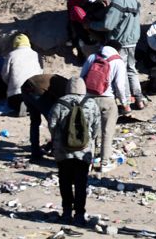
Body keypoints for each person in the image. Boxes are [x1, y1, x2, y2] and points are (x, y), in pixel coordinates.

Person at [49, 76, 100, 227]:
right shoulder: (91, 103)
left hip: (63, 151)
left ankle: (66, 212)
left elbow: (52, 125)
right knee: (80, 183)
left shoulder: (59, 103)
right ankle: (79, 214)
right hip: (83, 152)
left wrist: (58, 139)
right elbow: (96, 128)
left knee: (64, 181)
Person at [92, 0, 147, 111]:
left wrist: (91, 25)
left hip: (120, 42)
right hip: (133, 41)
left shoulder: (118, 2)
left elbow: (108, 24)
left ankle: (126, 103)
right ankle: (139, 100)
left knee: (121, 73)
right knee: (132, 70)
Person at [80, 42, 131, 171]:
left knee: (90, 131)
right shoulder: (117, 61)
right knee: (107, 132)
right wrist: (124, 103)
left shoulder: (92, 57)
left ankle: (88, 162)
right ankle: (104, 163)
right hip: (107, 100)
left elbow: (81, 77)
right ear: (117, 50)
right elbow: (120, 85)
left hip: (89, 99)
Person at [20, 73, 68, 161]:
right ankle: (55, 150)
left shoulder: (61, 82)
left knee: (35, 121)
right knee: (54, 122)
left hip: (26, 88)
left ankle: (35, 152)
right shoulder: (67, 89)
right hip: (36, 91)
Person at [2, 34, 42, 115]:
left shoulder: (11, 55)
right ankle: (31, 105)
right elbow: (41, 71)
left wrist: (9, 85)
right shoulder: (36, 54)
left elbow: (4, 74)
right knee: (35, 99)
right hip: (34, 92)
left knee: (13, 102)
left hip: (16, 94)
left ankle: (21, 105)